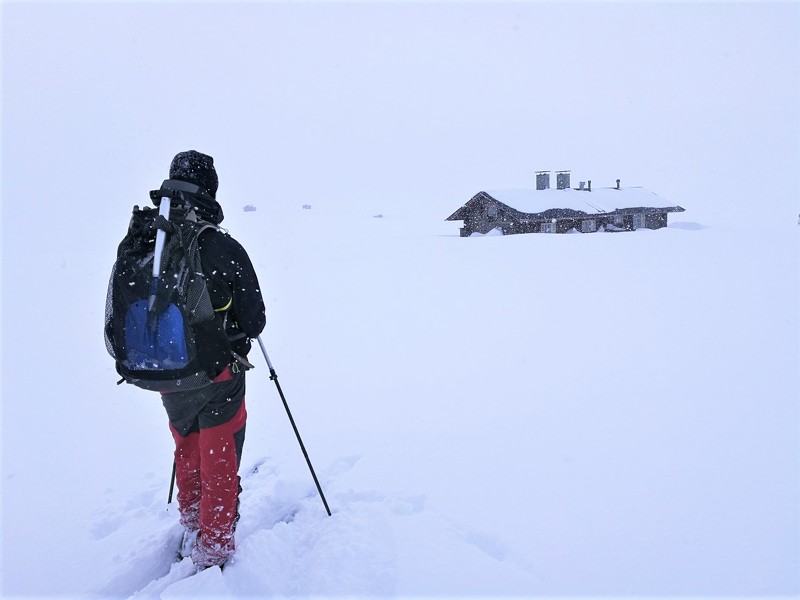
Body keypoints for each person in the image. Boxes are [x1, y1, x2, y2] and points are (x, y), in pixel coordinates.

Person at [160, 150, 266, 569]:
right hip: (217, 372)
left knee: (187, 444)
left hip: (165, 371)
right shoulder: (220, 245)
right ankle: (214, 546)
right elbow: (254, 320)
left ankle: (192, 519)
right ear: (211, 190)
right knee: (219, 453)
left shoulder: (150, 239)